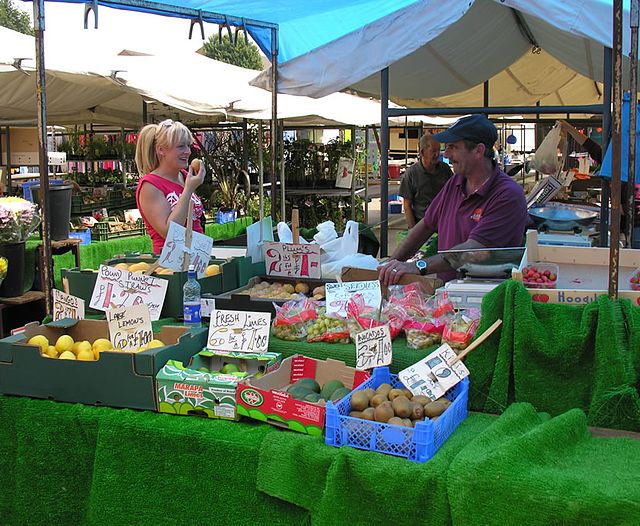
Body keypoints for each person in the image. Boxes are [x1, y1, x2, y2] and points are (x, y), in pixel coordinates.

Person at [379, 114, 529, 285]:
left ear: (478, 151)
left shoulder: (507, 195)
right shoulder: (456, 182)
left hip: (486, 298)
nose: (446, 154)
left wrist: (418, 266)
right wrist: (392, 264)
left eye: (453, 147)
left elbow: (474, 250)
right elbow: (426, 225)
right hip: (449, 295)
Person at [135, 119, 205, 255]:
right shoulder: (150, 185)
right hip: (171, 263)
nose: (188, 152)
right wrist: (189, 190)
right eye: (180, 146)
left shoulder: (185, 177)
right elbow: (169, 232)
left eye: (188, 146)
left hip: (197, 257)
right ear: (161, 150)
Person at [399, 134, 452, 228]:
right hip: (422, 224)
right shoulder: (411, 174)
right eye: (433, 151)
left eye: (439, 150)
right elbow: (407, 206)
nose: (437, 154)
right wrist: (413, 231)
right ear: (422, 152)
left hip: (444, 223)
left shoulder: (445, 169)